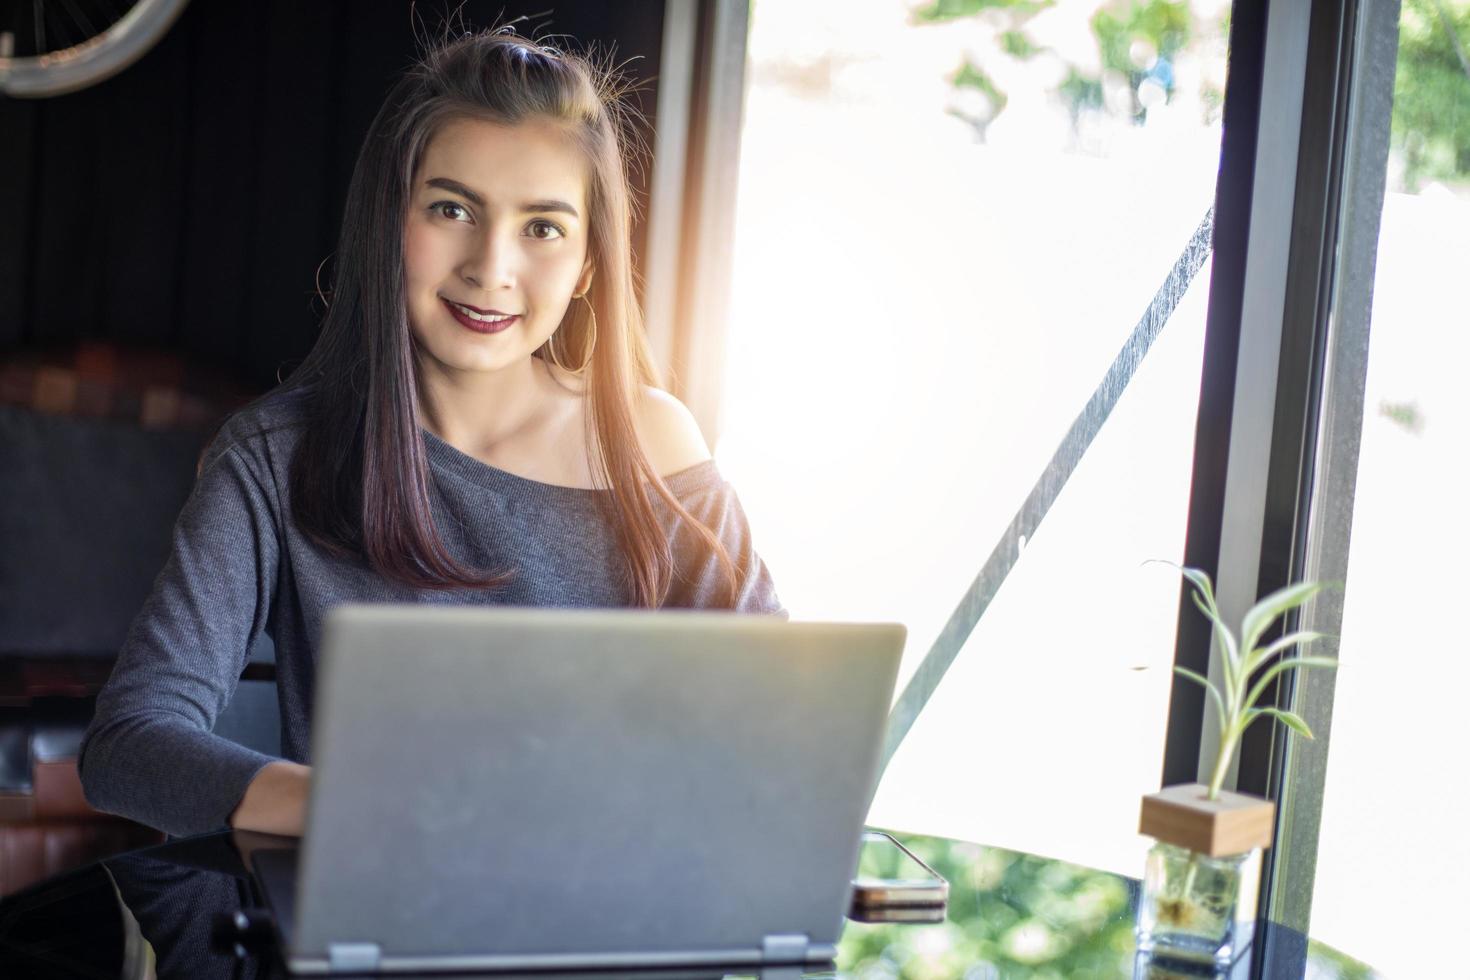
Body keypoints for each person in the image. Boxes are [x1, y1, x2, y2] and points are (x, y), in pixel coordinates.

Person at [78, 28, 783, 841]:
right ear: (390, 223)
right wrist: (362, 809)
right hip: (378, 923)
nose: (491, 267)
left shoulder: (652, 445)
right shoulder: (273, 459)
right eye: (452, 209)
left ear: (589, 262)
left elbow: (777, 729)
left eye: (543, 227)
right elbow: (130, 743)